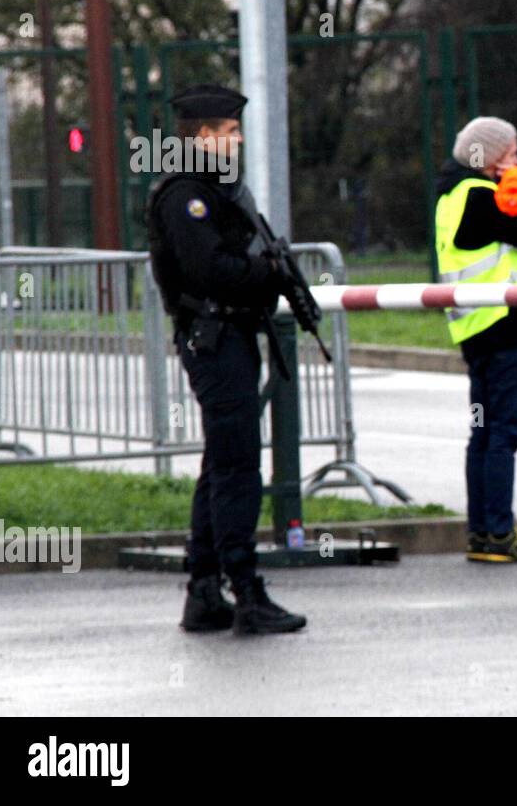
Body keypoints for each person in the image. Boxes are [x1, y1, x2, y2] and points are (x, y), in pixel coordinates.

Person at [146, 83, 307, 635]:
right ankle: (246, 589)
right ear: (203, 137)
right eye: (230, 132)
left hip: (231, 335)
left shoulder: (219, 191)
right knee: (238, 466)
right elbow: (210, 269)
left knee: (222, 462)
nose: (237, 141)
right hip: (213, 339)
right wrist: (267, 274)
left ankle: (204, 589)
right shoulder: (186, 196)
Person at [435, 116, 517, 563]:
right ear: (487, 158)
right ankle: (501, 533)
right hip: (507, 327)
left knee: (483, 433)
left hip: (475, 330)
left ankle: (482, 533)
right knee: (504, 433)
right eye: (511, 155)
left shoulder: (452, 195)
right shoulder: (484, 196)